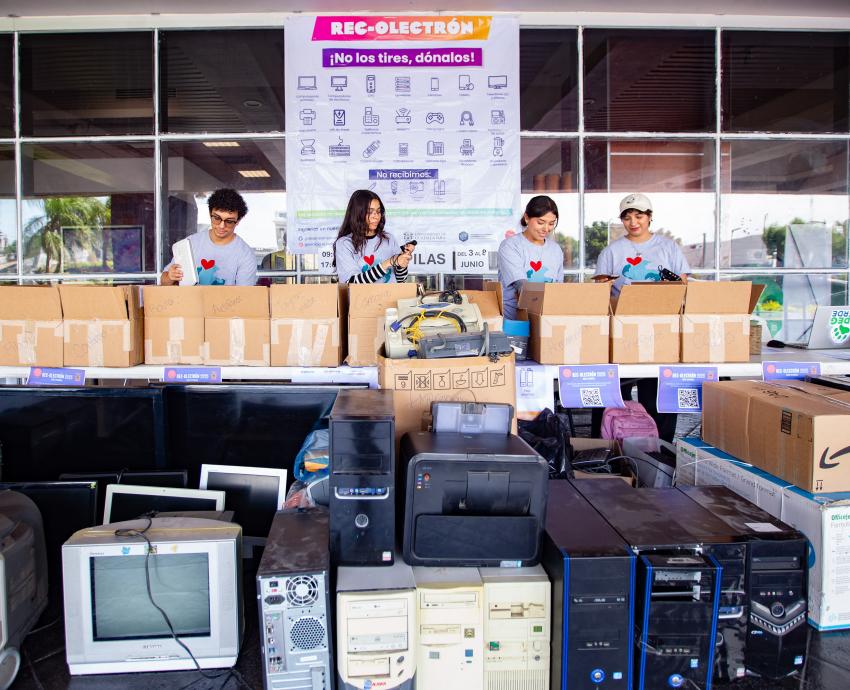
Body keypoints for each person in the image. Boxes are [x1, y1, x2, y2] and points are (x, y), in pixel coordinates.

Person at [593, 192, 691, 442]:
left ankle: (660, 447)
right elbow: (599, 292)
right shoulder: (612, 251)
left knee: (658, 392)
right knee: (615, 391)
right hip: (623, 330)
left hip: (661, 329)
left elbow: (683, 285)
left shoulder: (668, 247)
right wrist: (604, 285)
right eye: (627, 217)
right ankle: (609, 444)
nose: (633, 222)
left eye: (639, 216)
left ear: (649, 217)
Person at [161, 188, 257, 286]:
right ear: (210, 214)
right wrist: (170, 276)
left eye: (229, 221)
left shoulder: (246, 255)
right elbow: (164, 281)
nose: (222, 226)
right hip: (189, 297)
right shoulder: (191, 243)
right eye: (217, 218)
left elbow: (244, 294)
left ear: (238, 221)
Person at [497, 195, 564, 320]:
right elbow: (521, 285)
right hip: (515, 322)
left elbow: (558, 289)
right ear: (527, 218)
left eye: (551, 224)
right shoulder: (510, 246)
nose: (546, 229)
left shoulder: (556, 250)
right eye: (540, 222)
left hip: (545, 320)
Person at [334, 190, 413, 283]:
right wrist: (389, 262)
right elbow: (353, 283)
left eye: (378, 211)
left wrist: (402, 264)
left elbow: (400, 280)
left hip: (392, 293)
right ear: (357, 213)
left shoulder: (389, 239)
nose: (376, 216)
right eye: (370, 212)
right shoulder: (345, 244)